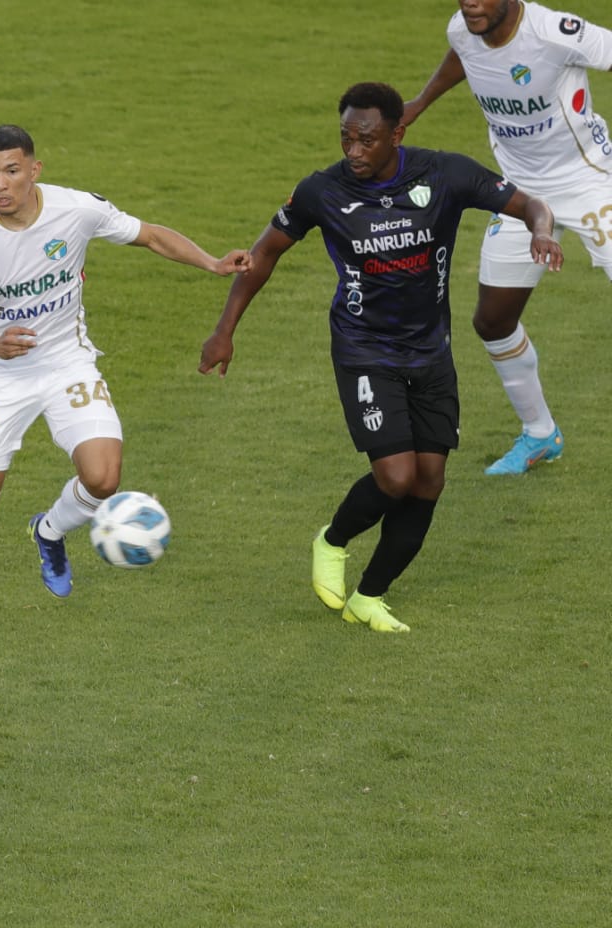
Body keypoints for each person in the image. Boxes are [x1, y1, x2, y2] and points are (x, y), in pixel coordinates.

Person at [200, 82, 562, 632]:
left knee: (430, 480)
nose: (353, 151)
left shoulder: (444, 174)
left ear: (397, 134)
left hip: (431, 352)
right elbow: (266, 252)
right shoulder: (322, 191)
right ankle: (332, 541)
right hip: (364, 349)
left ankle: (369, 596)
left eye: (366, 140)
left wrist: (543, 231)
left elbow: (530, 203)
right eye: (345, 138)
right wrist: (224, 330)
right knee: (395, 477)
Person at [0, 124, 248, 631]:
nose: (0, 184)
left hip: (68, 363)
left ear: (34, 170)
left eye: (12, 171)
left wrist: (212, 263)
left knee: (103, 477)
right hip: (2, 377)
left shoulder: (75, 209)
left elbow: (150, 235)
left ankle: (49, 532)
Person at [401, 0, 612, 475]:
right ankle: (540, 433)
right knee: (493, 320)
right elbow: (463, 53)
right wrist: (418, 103)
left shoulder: (555, 32)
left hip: (590, 181)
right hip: (519, 191)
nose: (470, 3)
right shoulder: (463, 29)